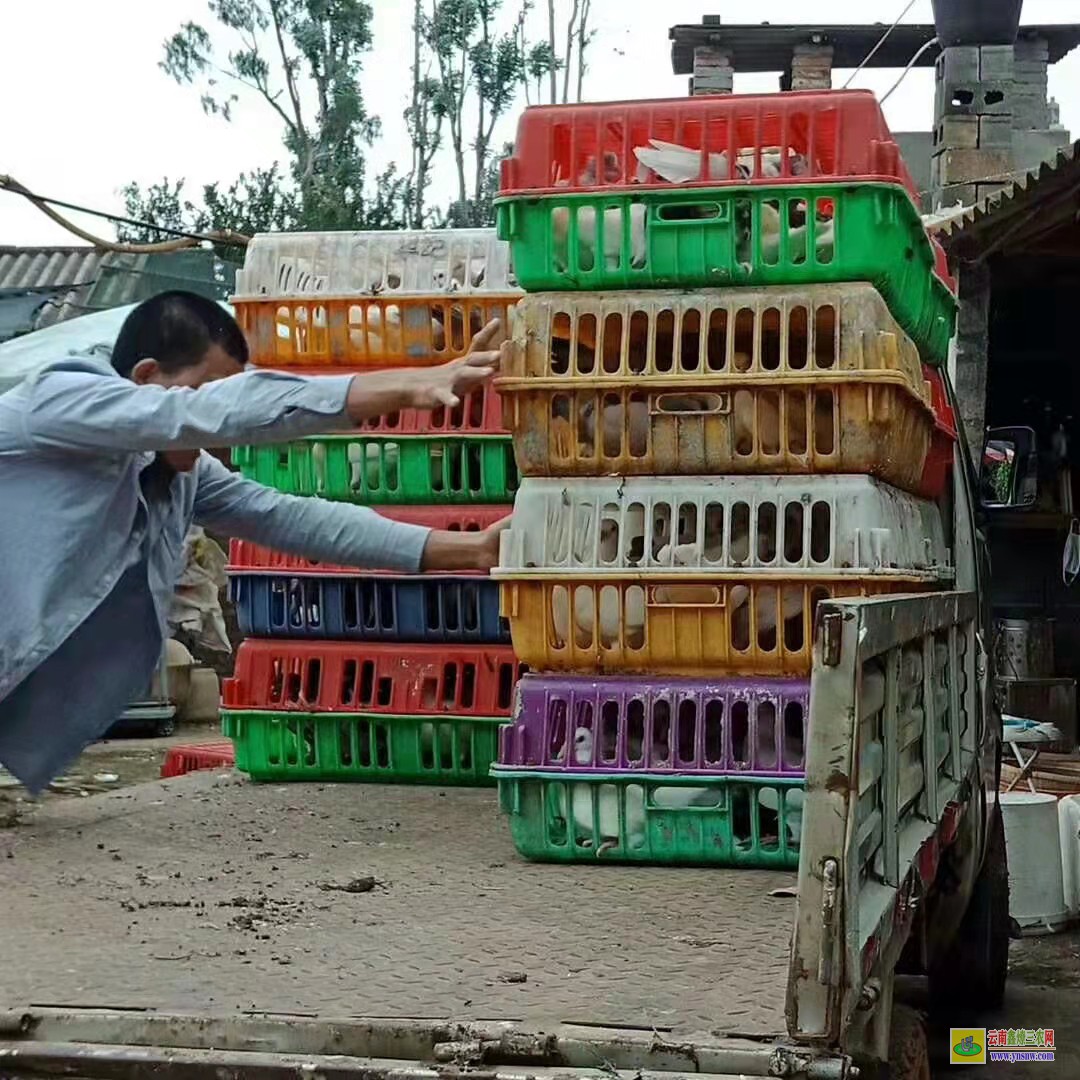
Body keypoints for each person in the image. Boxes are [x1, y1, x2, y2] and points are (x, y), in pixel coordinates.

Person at [0, 290, 510, 793]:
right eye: (208, 393)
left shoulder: (180, 474)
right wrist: (409, 386)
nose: (223, 429)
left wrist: (470, 550)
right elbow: (209, 413)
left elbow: (291, 519)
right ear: (146, 379)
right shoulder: (57, 401)